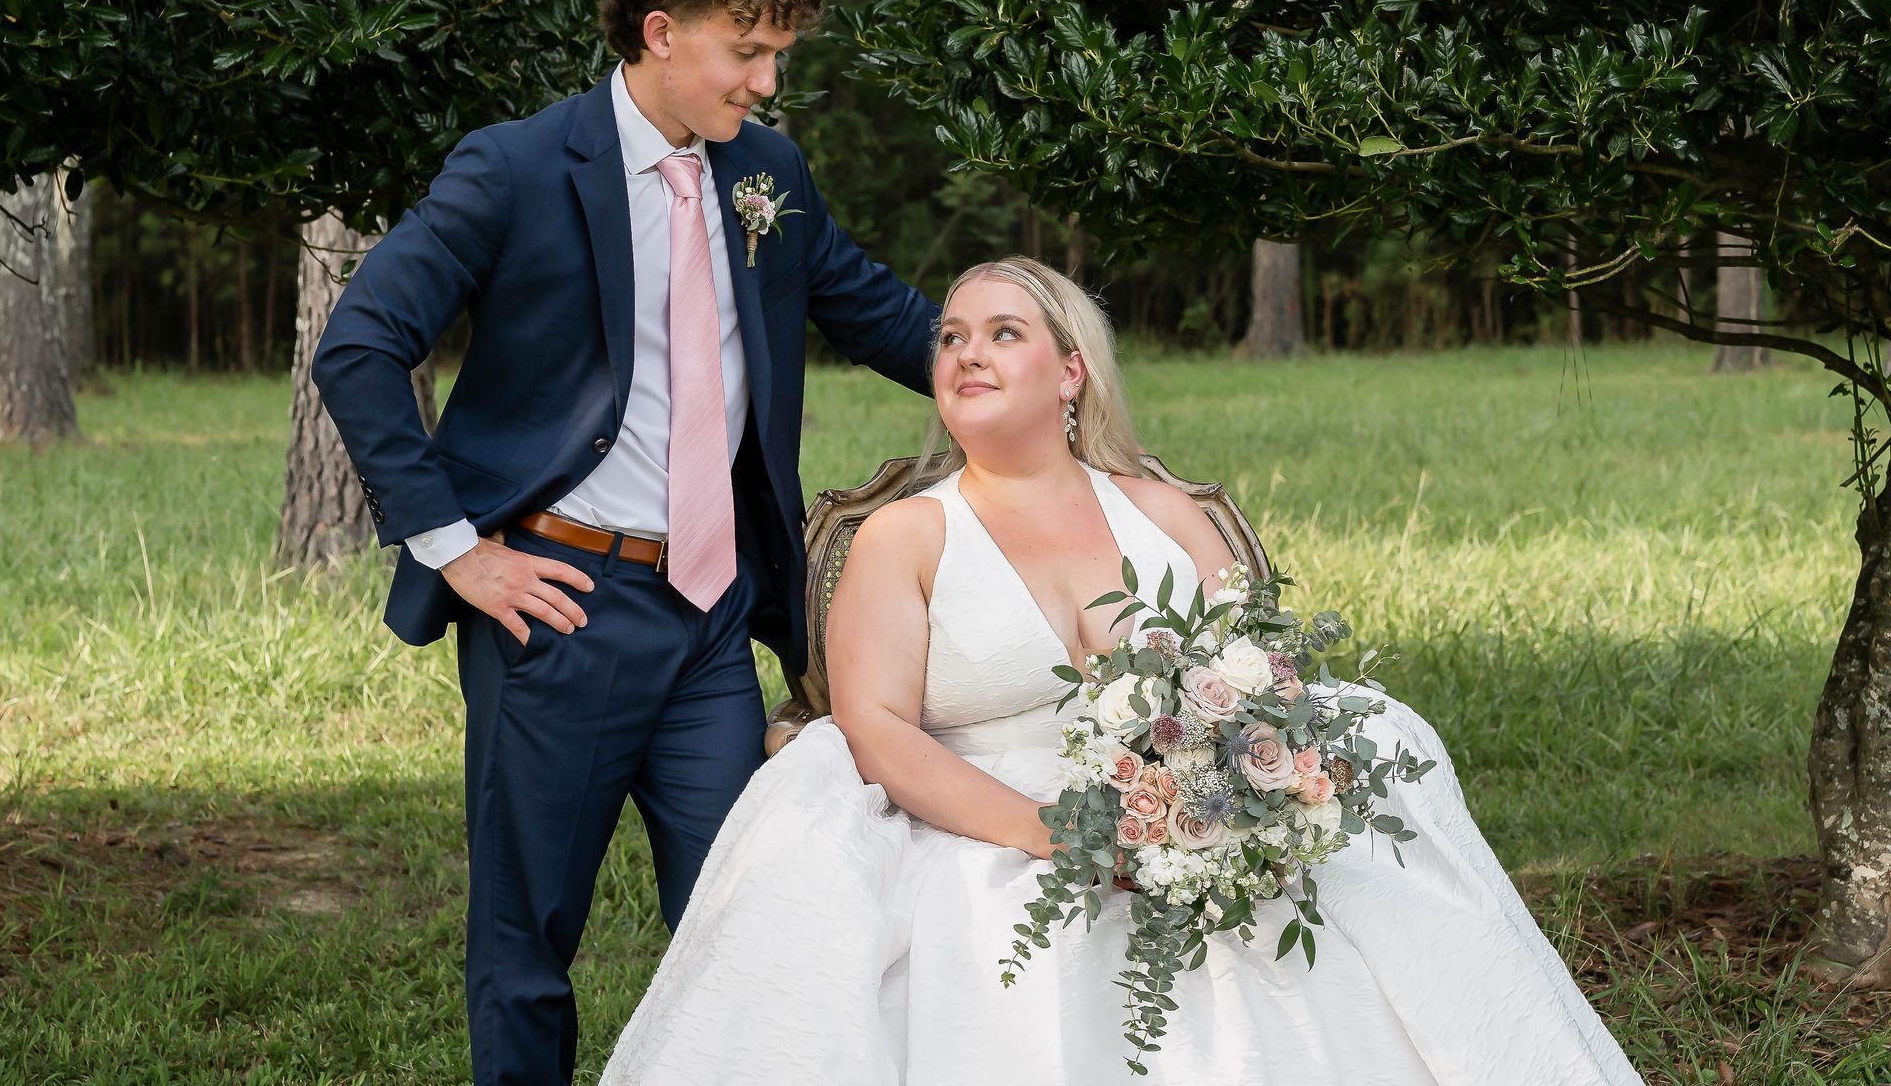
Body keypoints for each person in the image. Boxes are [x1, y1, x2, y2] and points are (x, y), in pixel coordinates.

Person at [599, 257, 1645, 1085]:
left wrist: (1234, 801)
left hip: (1190, 805)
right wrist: (1058, 836)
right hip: (981, 815)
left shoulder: (1154, 506)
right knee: (1006, 944)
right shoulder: (907, 536)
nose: (967, 352)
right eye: (952, 337)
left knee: (1375, 844)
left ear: (1069, 371)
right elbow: (879, 731)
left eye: (1004, 332)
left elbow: (1261, 672)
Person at [310, 0, 939, 1086]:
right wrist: (458, 548)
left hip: (713, 619)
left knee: (749, 914)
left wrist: (1023, 363)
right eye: (745, 52)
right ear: (661, 31)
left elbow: (881, 312)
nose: (764, 82)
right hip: (558, 604)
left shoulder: (768, 170)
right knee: (528, 931)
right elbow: (360, 344)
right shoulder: (517, 166)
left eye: (777, 57)